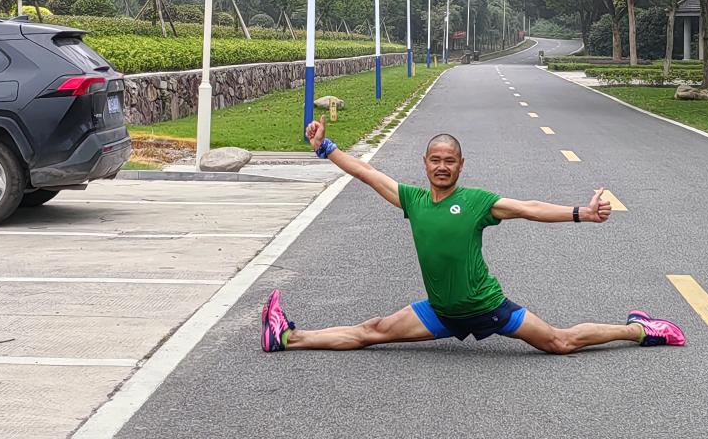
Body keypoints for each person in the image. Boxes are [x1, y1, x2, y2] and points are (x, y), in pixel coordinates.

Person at [260, 118, 685, 354]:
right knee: (372, 331)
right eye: (435, 160)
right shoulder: (411, 199)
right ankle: (285, 337)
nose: (442, 166)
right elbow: (368, 173)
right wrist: (324, 148)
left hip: (487, 307)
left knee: (559, 342)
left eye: (450, 161)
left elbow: (527, 209)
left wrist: (582, 213)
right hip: (440, 310)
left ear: (461, 165)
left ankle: (639, 330)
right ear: (425, 163)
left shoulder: (478, 202)